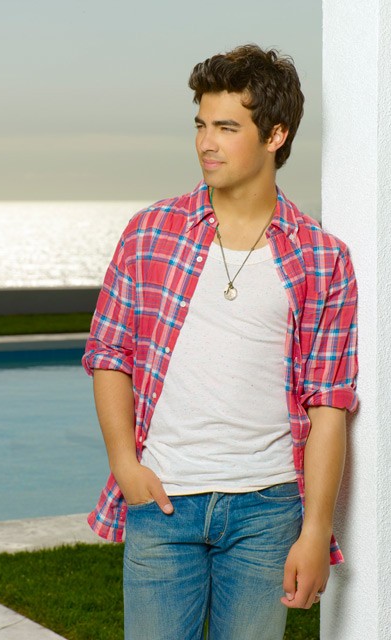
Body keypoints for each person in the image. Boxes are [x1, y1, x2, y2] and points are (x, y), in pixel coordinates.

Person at [82, 44, 358, 640]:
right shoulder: (149, 233)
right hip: (163, 501)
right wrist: (125, 464)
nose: (206, 143)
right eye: (201, 125)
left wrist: (315, 530)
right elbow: (108, 355)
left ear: (275, 135)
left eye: (227, 128)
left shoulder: (323, 258)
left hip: (267, 511)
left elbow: (328, 404)